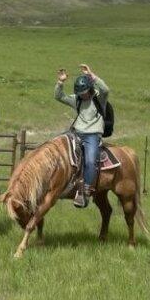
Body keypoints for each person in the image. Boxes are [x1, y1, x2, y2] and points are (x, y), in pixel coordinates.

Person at [55, 64, 109, 208]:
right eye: (80, 93)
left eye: (84, 92)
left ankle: (86, 190)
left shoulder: (99, 98)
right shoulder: (77, 100)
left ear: (90, 89)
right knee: (56, 148)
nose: (82, 95)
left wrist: (91, 75)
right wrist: (60, 82)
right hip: (76, 133)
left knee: (91, 161)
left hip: (92, 135)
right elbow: (59, 96)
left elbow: (105, 89)